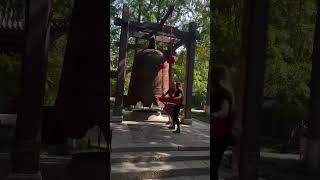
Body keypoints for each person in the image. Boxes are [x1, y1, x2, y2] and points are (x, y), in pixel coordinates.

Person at [210, 66, 234, 180]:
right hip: (220, 134)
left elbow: (224, 112)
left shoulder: (222, 92)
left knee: (213, 166)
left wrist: (213, 115)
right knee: (214, 166)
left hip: (219, 133)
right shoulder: (222, 91)